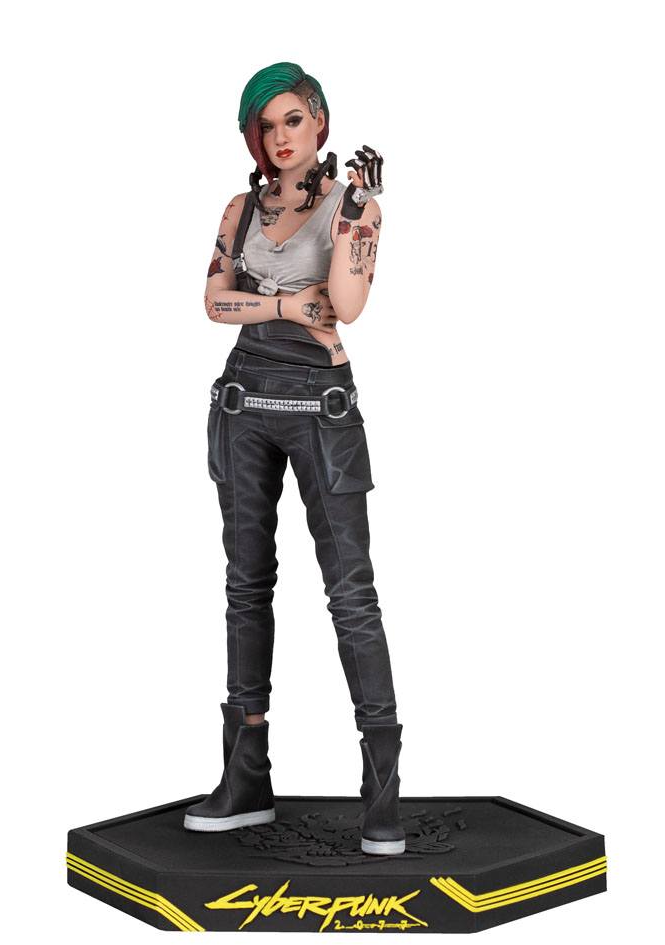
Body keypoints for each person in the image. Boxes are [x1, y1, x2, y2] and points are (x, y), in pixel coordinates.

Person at [184, 62, 405, 855]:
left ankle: (381, 789)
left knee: (351, 593)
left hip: (321, 405)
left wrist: (353, 219)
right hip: (244, 399)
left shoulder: (354, 205)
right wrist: (282, 303)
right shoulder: (240, 208)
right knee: (245, 586)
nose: (280, 137)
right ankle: (245, 777)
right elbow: (213, 302)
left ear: (319, 122)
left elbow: (344, 306)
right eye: (266, 125)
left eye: (293, 120)